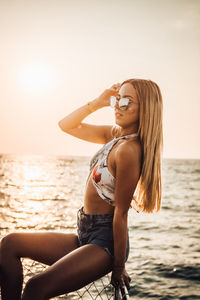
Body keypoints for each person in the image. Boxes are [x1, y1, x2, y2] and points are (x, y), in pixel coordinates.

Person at [0, 78, 163, 300]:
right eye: (117, 99)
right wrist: (98, 102)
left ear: (146, 108)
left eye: (126, 101)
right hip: (85, 233)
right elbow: (66, 125)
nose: (117, 105)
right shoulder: (114, 135)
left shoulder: (129, 151)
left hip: (105, 244)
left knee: (35, 288)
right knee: (10, 244)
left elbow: (121, 214)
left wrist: (118, 267)